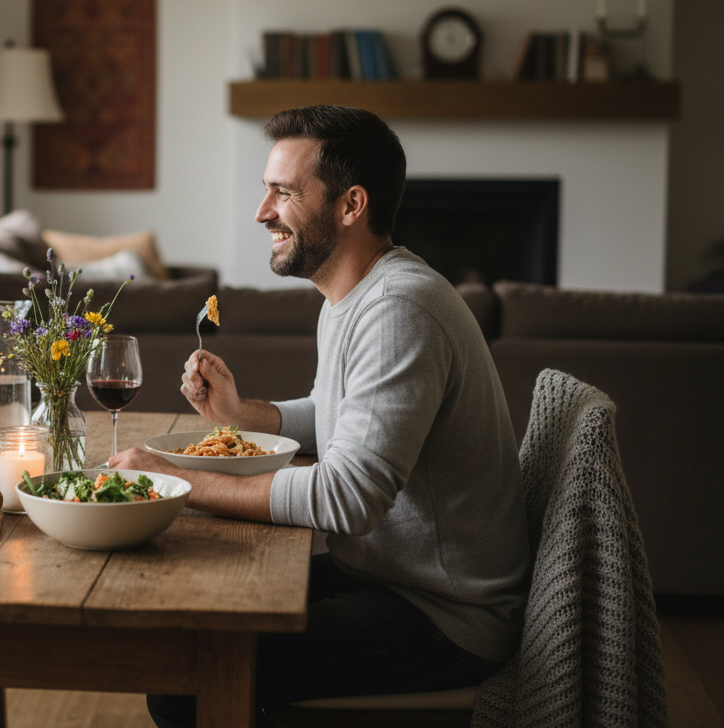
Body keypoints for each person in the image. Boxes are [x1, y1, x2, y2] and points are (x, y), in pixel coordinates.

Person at [110, 105, 530, 726]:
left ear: (350, 205)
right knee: (200, 613)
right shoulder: (352, 293)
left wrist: (178, 483)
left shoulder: (397, 312)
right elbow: (342, 415)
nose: (262, 213)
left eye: (283, 193)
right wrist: (243, 412)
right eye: (266, 192)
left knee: (187, 674)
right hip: (389, 575)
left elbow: (347, 499)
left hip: (442, 615)